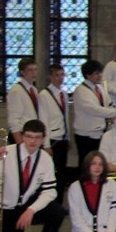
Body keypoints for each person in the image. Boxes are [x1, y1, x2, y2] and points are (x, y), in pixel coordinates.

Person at [74, 60, 116, 169]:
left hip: (99, 132)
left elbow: (108, 104)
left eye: (100, 72)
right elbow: (95, 110)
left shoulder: (99, 88)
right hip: (86, 134)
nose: (100, 76)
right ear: (88, 75)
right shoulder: (81, 91)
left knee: (98, 163)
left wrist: (111, 113)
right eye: (96, 73)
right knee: (87, 164)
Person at [38, 64, 70, 201]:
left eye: (62, 75)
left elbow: (66, 117)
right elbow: (43, 119)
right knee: (52, 173)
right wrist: (46, 144)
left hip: (63, 137)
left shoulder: (63, 93)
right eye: (57, 75)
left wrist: (68, 137)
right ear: (50, 77)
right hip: (53, 139)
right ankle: (50, 202)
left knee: (61, 173)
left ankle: (59, 202)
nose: (60, 78)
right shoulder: (44, 95)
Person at [7, 58, 39, 144]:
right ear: (22, 72)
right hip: (22, 133)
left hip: (32, 132)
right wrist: (19, 141)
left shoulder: (33, 89)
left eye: (35, 70)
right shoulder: (16, 90)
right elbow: (14, 119)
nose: (34, 73)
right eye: (30, 70)